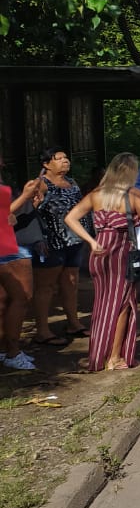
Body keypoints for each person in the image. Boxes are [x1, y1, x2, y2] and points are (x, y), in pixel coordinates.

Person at [63, 153, 140, 372]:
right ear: (131, 172)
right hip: (121, 253)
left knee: (103, 306)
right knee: (123, 305)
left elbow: (70, 218)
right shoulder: (133, 194)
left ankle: (98, 353)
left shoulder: (96, 194)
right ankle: (114, 357)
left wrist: (90, 241)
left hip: (99, 253)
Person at [30, 146, 91, 345]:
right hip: (50, 243)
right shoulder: (40, 185)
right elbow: (30, 214)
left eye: (66, 158)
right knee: (45, 287)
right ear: (46, 164)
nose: (65, 161)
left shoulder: (71, 183)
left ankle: (73, 323)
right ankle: (42, 330)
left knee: (71, 283)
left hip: (73, 241)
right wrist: (38, 238)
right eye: (59, 158)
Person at [1, 157, 40, 370]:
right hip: (7, 247)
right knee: (22, 297)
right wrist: (25, 196)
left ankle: (4, 350)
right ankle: (13, 352)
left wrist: (28, 202)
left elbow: (9, 216)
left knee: (3, 300)